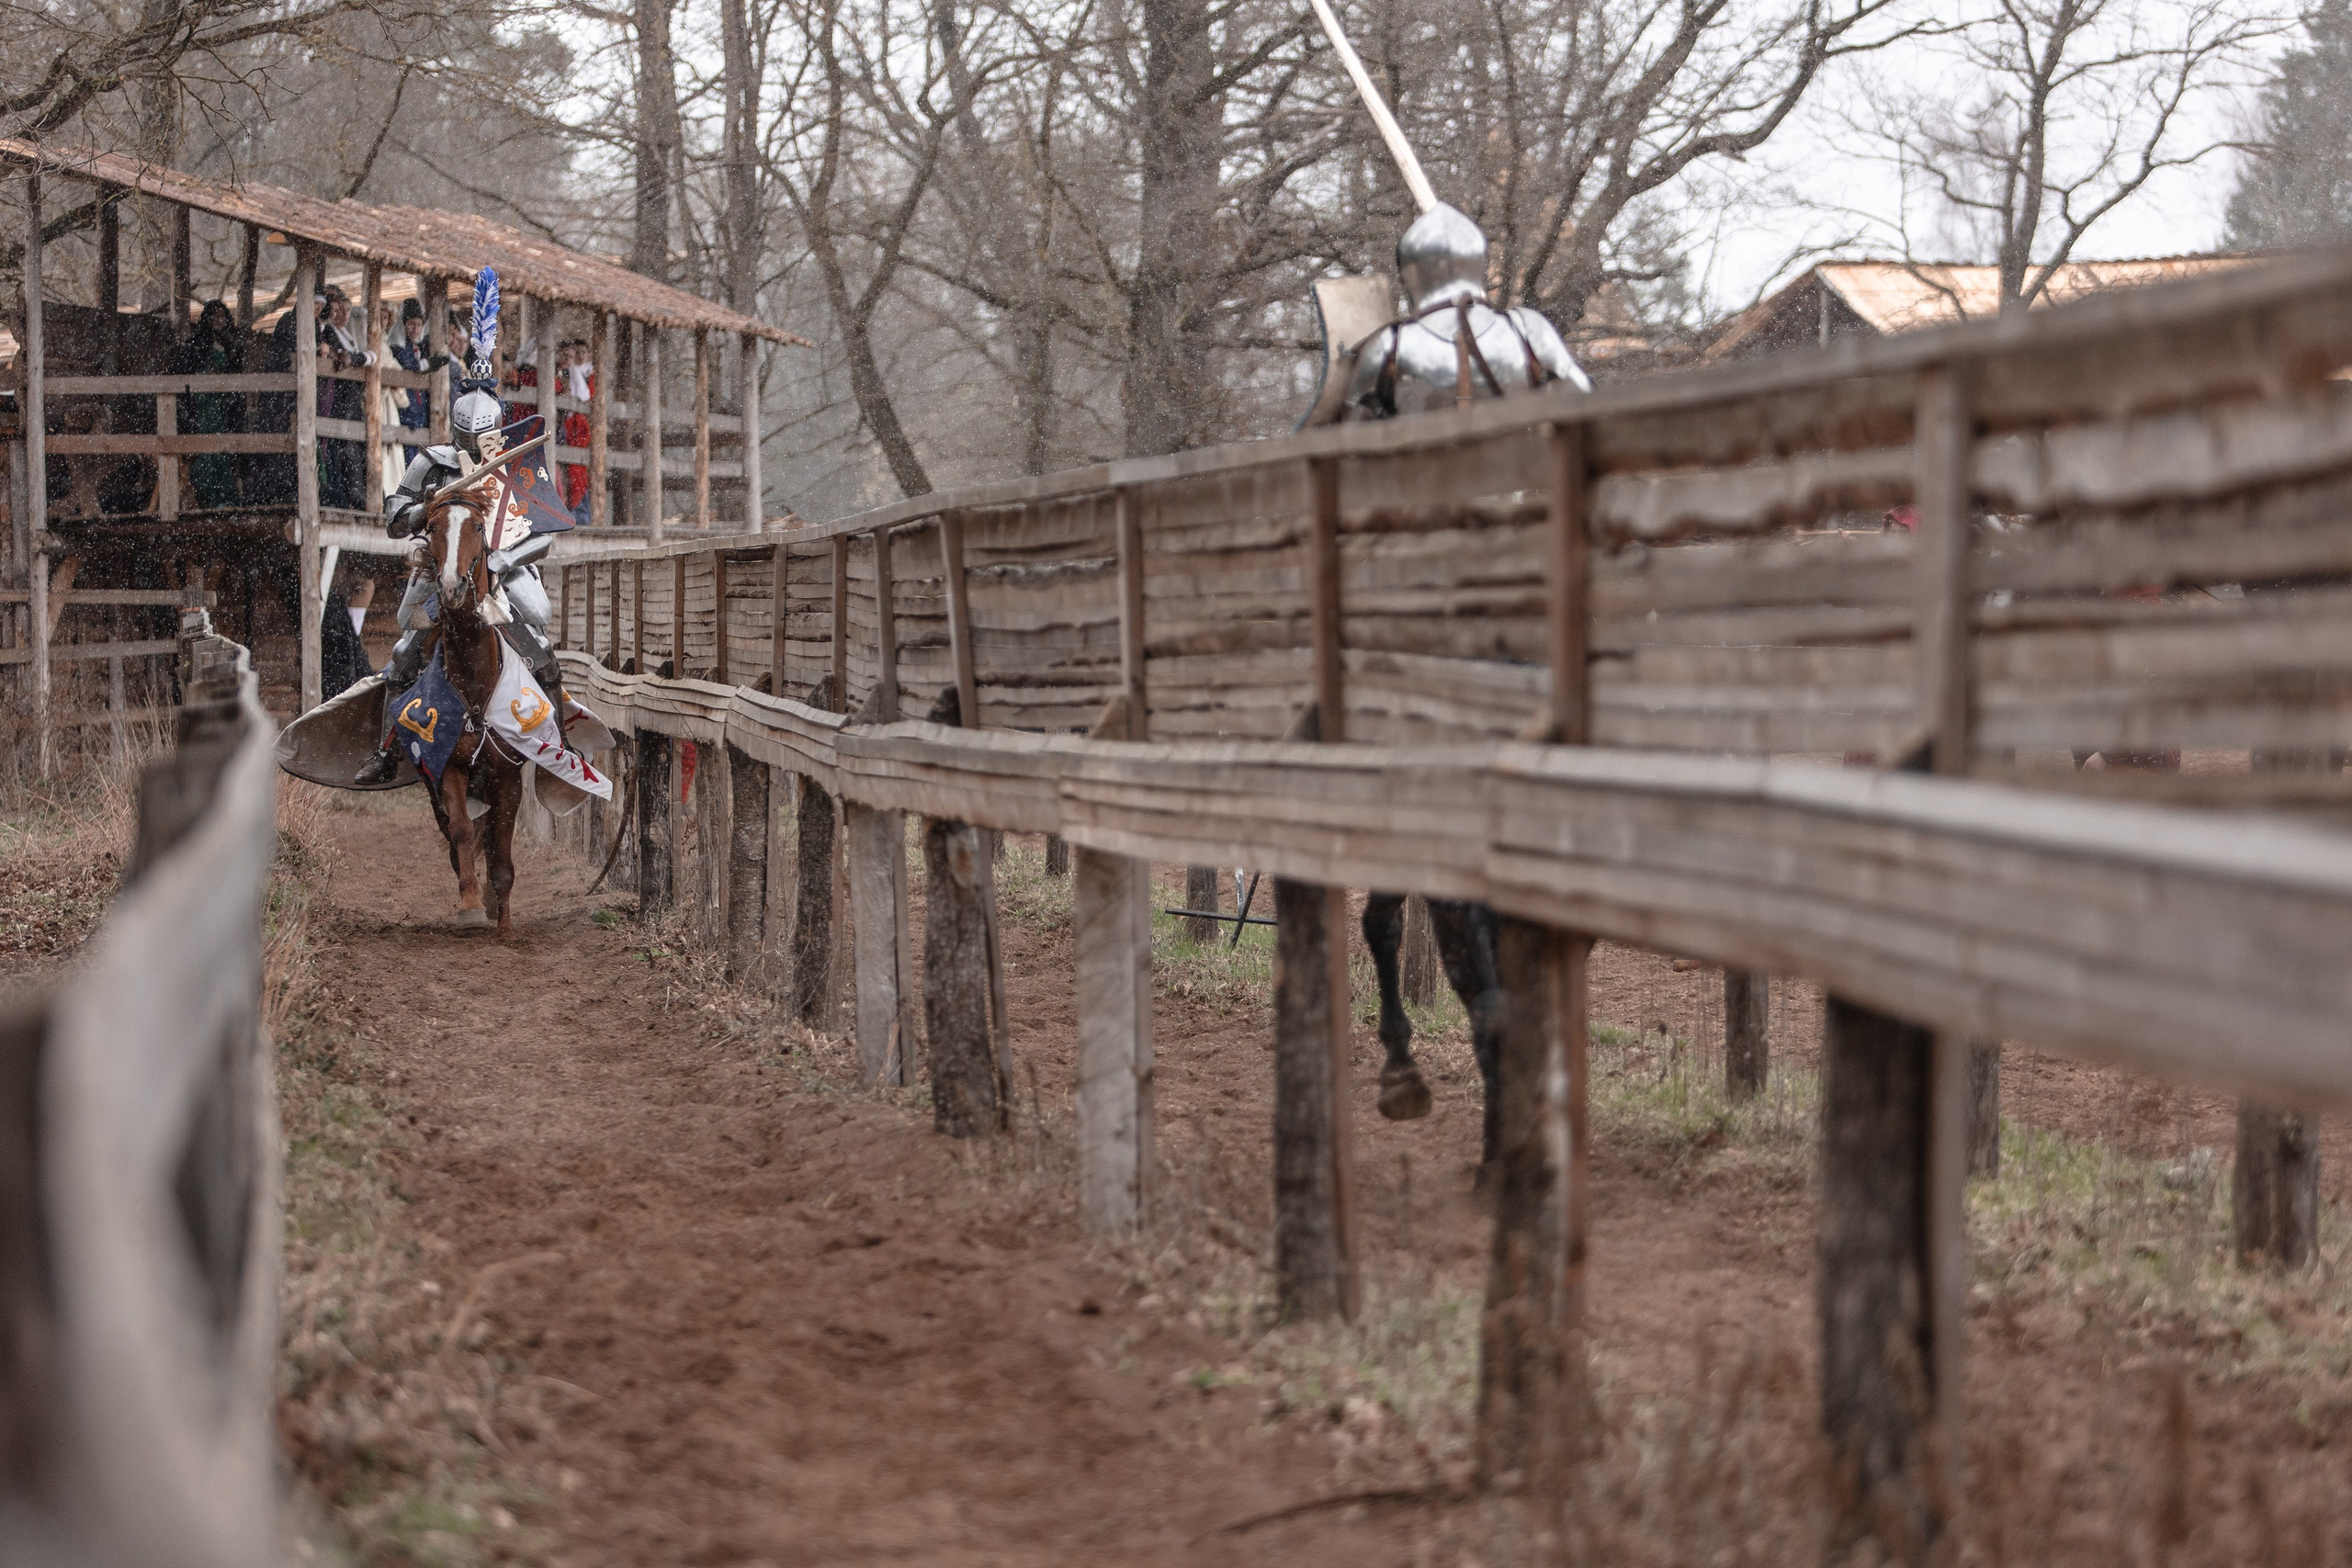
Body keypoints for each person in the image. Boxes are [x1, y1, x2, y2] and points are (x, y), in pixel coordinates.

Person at [351, 380, 572, 784]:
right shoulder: (434, 462)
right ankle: (386, 751)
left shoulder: (515, 462)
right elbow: (394, 519)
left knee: (539, 647)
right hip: (442, 572)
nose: (472, 447)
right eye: (466, 438)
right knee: (403, 654)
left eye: (479, 438)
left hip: (504, 568)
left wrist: (505, 558)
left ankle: (559, 746)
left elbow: (545, 533)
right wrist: (425, 509)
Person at [1340, 203, 1591, 419]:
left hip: (1425, 473)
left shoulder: (1391, 343)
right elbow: (1583, 397)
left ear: (1410, 272)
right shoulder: (1526, 328)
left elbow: (1348, 434)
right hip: (1520, 470)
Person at [173, 299, 244, 509]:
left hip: (223, 408)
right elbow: (185, 375)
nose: (218, 320)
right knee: (206, 455)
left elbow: (236, 376)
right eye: (213, 316)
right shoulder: (196, 343)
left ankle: (227, 500)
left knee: (224, 454)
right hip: (203, 407)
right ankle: (209, 500)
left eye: (222, 316)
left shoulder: (231, 344)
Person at [318, 284, 377, 509]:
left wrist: (360, 357)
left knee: (357, 444)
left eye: (346, 311)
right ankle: (347, 494)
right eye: (338, 310)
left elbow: (360, 357)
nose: (342, 315)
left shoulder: (348, 335)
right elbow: (346, 359)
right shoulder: (330, 332)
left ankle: (359, 491)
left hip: (352, 397)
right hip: (340, 396)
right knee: (343, 447)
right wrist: (361, 357)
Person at [388, 297, 445, 465]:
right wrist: (430, 364)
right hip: (407, 410)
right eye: (411, 324)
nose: (415, 329)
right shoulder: (397, 344)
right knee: (406, 456)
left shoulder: (417, 348)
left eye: (419, 325)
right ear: (404, 325)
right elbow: (409, 365)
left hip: (418, 412)